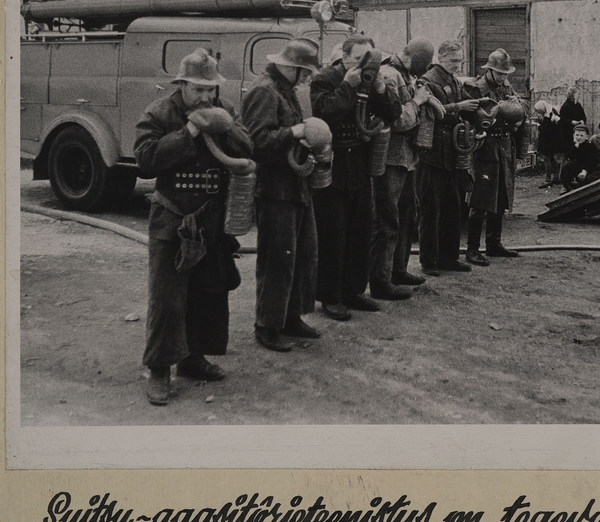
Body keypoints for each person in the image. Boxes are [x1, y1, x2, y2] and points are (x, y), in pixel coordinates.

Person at [134, 49, 253, 406]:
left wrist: (225, 126)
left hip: (213, 219)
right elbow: (145, 160)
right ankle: (159, 368)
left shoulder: (227, 109)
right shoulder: (159, 112)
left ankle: (192, 358)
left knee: (207, 292)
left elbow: (249, 149)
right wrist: (189, 130)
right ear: (182, 84)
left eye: (210, 89)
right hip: (173, 219)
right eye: (198, 89)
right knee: (168, 299)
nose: (205, 96)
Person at [310, 33, 401, 320]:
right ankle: (330, 296)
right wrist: (349, 86)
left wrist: (381, 88)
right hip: (333, 164)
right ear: (346, 56)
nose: (366, 64)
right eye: (361, 58)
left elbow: (393, 114)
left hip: (360, 165)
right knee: (333, 234)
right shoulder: (326, 79)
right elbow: (325, 114)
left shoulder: (369, 79)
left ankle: (352, 290)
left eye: (370, 58)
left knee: (360, 231)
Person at [241, 39, 321, 353]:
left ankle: (290, 316)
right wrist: (295, 133)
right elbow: (256, 142)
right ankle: (267, 324)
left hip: (295, 186)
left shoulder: (285, 91)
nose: (306, 78)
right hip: (275, 189)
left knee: (302, 254)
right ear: (289, 66)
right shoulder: (265, 91)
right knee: (278, 259)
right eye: (304, 71)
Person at [369, 38, 434, 300]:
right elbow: (395, 120)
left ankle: (399, 270)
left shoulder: (405, 74)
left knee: (407, 214)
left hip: (407, 157)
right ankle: (380, 281)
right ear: (409, 59)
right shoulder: (388, 75)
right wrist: (417, 102)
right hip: (390, 157)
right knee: (387, 220)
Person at [417, 41, 480, 277]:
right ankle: (429, 260)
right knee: (430, 209)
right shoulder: (427, 80)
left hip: (451, 154)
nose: (458, 64)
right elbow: (432, 111)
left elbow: (466, 106)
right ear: (441, 58)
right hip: (432, 154)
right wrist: (459, 106)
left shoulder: (453, 80)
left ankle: (449, 257)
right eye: (454, 60)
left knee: (452, 208)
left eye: (460, 60)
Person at [462, 48, 527, 265]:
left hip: (504, 145)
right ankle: (472, 249)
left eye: (505, 74)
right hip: (485, 147)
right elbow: (468, 118)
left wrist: (516, 105)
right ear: (489, 70)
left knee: (500, 196)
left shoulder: (506, 86)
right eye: (499, 74)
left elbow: (521, 107)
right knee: (480, 197)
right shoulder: (475, 88)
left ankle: (493, 244)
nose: (503, 78)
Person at [560, 122, 600, 193]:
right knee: (567, 164)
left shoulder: (590, 146)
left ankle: (579, 184)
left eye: (581, 135)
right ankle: (565, 186)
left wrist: (585, 171)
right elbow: (568, 156)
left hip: (588, 168)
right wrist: (576, 146)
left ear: (586, 137)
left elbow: (593, 160)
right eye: (577, 135)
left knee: (592, 177)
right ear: (573, 136)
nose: (579, 137)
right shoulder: (572, 145)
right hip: (577, 167)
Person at [532, 99, 563, 187]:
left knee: (546, 159)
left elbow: (546, 130)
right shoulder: (552, 114)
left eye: (539, 112)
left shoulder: (547, 117)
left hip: (547, 142)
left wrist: (538, 126)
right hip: (551, 142)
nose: (538, 113)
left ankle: (548, 179)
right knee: (552, 158)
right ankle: (556, 177)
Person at [559, 85, 587, 150]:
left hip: (578, 131)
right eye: (578, 94)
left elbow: (583, 116)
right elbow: (562, 120)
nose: (579, 96)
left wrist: (582, 121)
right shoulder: (565, 106)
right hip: (568, 133)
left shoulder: (578, 105)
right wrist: (571, 122)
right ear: (572, 94)